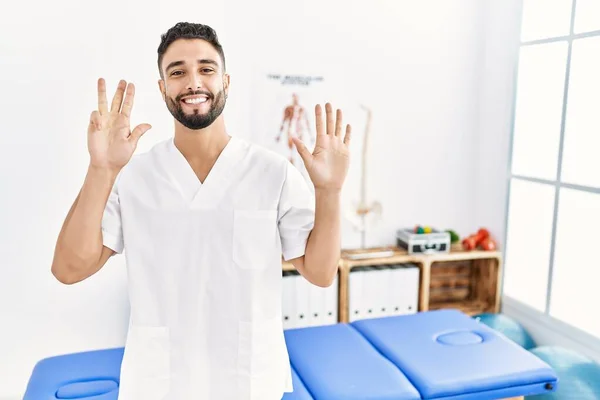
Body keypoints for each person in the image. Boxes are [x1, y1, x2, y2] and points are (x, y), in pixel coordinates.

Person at [50, 22, 351, 400]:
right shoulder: (133, 176)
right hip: (159, 383)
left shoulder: (272, 172)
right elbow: (68, 269)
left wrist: (329, 191)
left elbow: (321, 273)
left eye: (206, 69)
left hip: (248, 382)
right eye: (177, 72)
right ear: (162, 88)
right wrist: (102, 169)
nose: (193, 82)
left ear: (226, 81)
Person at [275, 93, 314, 164]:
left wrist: (311, 135)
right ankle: (291, 166)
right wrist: (279, 134)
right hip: (291, 131)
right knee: (291, 151)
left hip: (300, 131)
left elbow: (306, 122)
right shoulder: (288, 109)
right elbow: (283, 121)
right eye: (294, 98)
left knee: (300, 149)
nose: (295, 99)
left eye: (296, 98)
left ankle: (301, 168)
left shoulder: (302, 109)